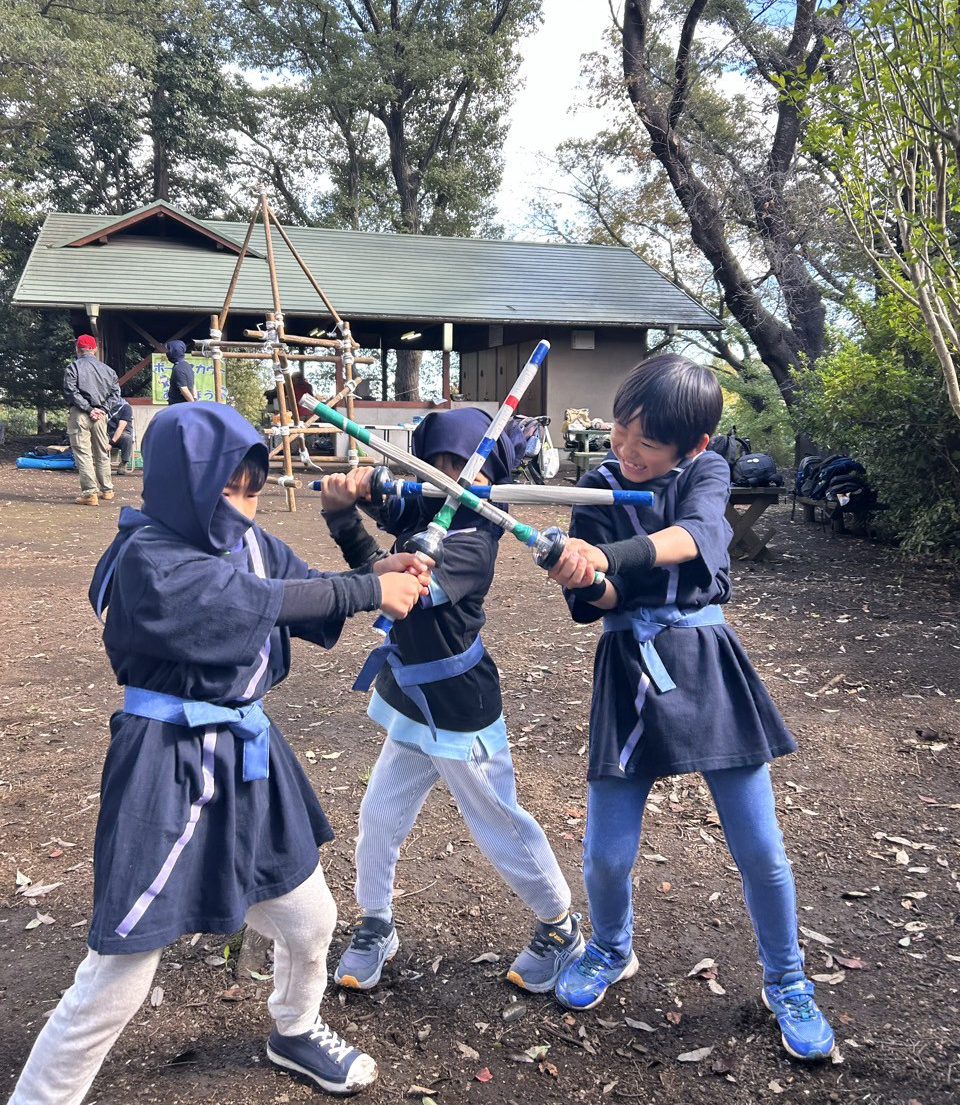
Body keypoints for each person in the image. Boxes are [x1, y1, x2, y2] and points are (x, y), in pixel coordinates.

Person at [5, 402, 428, 1103]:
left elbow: (304, 590)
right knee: (122, 969)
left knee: (310, 920)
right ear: (180, 484)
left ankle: (295, 1028)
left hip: (248, 755)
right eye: (224, 490)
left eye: (250, 489)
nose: (240, 507)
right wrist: (369, 588)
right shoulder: (146, 557)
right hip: (165, 764)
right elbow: (250, 601)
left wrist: (383, 569)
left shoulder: (254, 543)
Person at [546, 354, 836, 1062]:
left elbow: (699, 538)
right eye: (621, 430)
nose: (626, 449)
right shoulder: (597, 483)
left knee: (761, 850)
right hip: (628, 671)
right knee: (606, 855)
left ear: (693, 445)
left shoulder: (707, 472)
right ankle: (610, 948)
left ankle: (788, 980)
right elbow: (604, 600)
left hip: (708, 666)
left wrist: (609, 555)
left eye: (647, 442)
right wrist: (578, 573)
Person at [319, 408, 584, 996]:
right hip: (413, 702)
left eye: (464, 468)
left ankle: (560, 924)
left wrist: (343, 523)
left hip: (460, 710)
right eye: (435, 464)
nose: (447, 476)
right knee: (379, 815)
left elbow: (395, 590)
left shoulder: (474, 543)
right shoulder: (425, 507)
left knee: (498, 823)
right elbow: (393, 509)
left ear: (493, 478)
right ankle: (376, 922)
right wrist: (358, 491)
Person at [64, 334, 120, 506]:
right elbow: (115, 393)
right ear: (95, 349)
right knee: (102, 452)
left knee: (83, 453)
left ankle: (90, 493)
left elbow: (71, 391)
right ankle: (107, 490)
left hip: (80, 414)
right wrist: (102, 409)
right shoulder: (108, 370)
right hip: (101, 416)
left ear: (77, 349)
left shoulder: (73, 367)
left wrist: (88, 409)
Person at [107, 397, 135, 473]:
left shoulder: (125, 407)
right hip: (107, 433)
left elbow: (121, 428)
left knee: (127, 438)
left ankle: (123, 463)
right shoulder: (103, 406)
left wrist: (111, 443)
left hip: (121, 433)